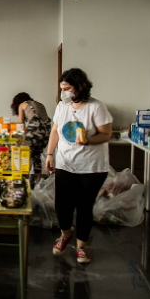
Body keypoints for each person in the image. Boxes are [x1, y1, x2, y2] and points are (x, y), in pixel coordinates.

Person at [45, 68, 113, 264]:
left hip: (91, 166)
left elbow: (106, 134)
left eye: (67, 88)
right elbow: (56, 131)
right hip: (65, 163)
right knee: (62, 205)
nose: (63, 93)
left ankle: (81, 247)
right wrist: (50, 154)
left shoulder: (96, 107)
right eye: (62, 89)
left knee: (84, 207)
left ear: (79, 87)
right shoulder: (62, 106)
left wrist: (88, 141)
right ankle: (66, 234)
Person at [11, 92, 51, 173]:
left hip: (35, 130)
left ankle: (23, 178)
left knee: (24, 155)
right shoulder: (40, 105)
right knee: (37, 156)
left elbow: (21, 126)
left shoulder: (22, 105)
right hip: (47, 132)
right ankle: (37, 179)